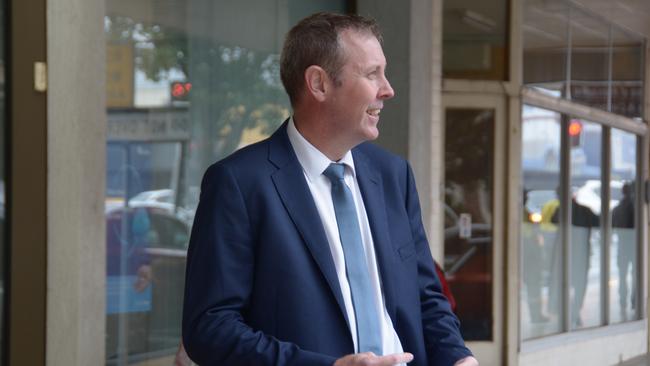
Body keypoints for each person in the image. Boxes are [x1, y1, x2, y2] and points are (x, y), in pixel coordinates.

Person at [182, 12, 477, 366]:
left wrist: (458, 356)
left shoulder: (393, 175)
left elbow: (425, 294)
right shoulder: (238, 183)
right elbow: (209, 328)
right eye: (372, 74)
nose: (388, 89)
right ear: (319, 84)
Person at [612, 182, 636, 320]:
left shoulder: (617, 209)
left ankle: (622, 301)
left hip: (622, 247)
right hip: (634, 247)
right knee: (635, 275)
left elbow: (612, 227)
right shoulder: (636, 208)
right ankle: (634, 301)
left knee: (622, 276)